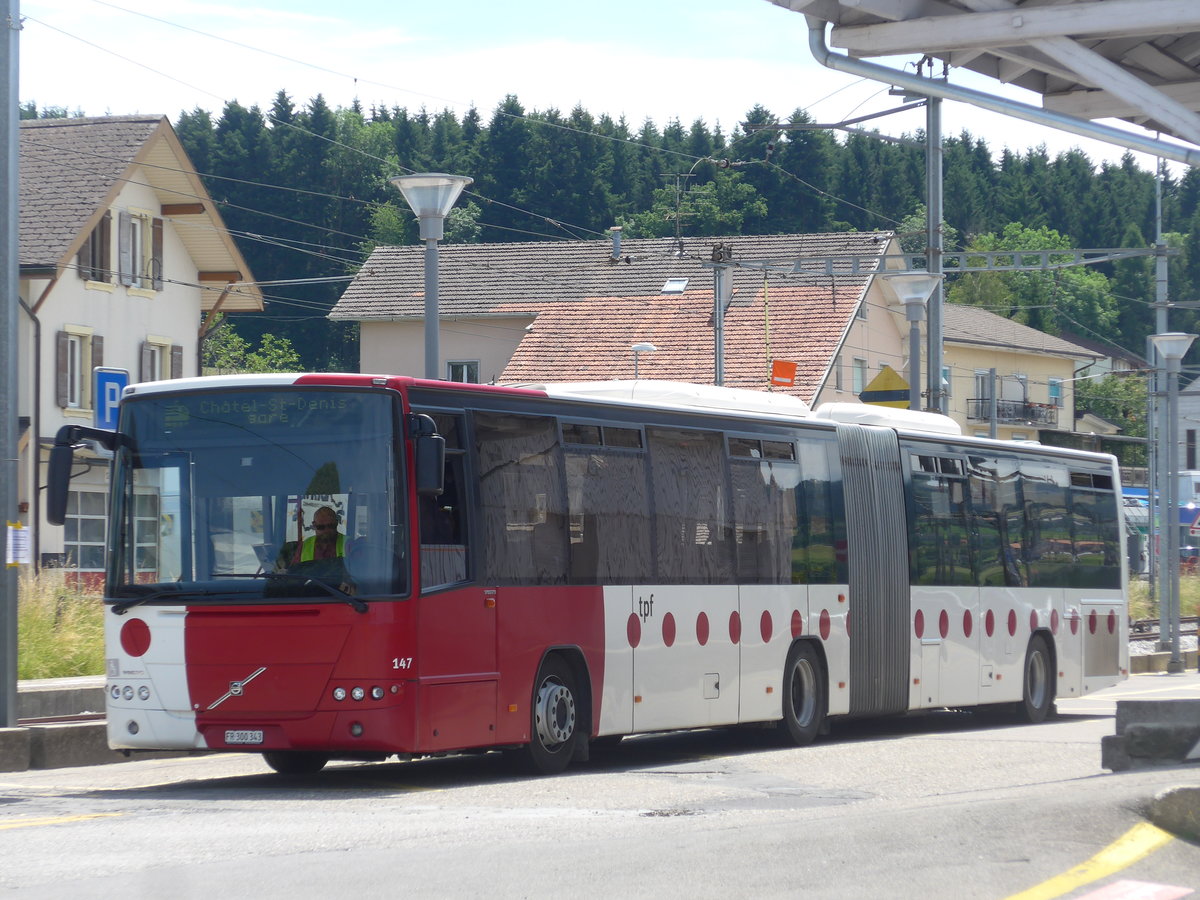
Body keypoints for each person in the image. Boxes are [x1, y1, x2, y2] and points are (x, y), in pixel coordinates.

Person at [278, 505, 356, 594]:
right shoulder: (304, 545)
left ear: (337, 523)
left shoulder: (349, 544)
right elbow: (294, 574)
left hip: (341, 597)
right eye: (321, 527)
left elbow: (359, 578)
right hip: (311, 597)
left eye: (331, 526)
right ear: (314, 525)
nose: (326, 530)